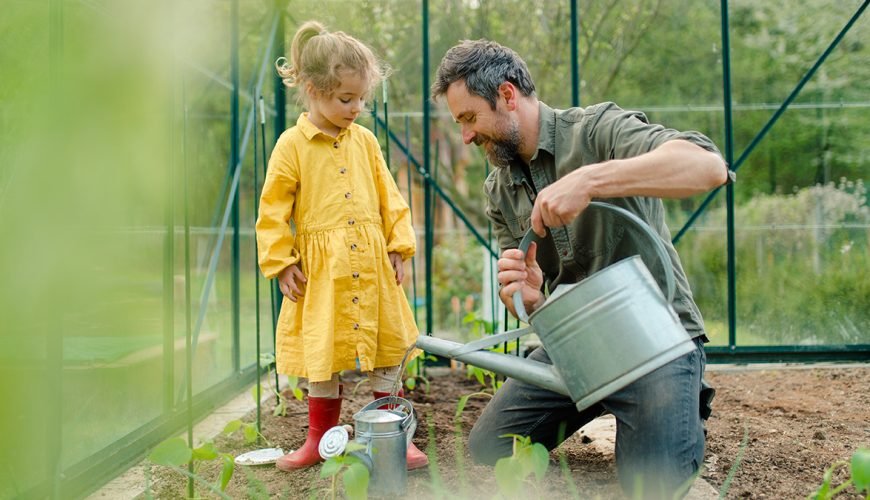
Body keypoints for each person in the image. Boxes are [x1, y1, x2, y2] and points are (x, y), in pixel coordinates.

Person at [431, 39, 728, 498]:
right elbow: (529, 301)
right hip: (578, 346)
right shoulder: (500, 188)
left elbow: (706, 168)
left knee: (654, 483)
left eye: (469, 118)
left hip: (655, 340)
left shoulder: (598, 131)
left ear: (508, 95)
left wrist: (589, 180)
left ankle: (674, 403)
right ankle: (616, 403)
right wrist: (529, 300)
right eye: (460, 124)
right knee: (492, 446)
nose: (465, 136)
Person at [256, 20, 427, 471]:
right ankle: (317, 440)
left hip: (371, 266)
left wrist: (398, 243)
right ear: (313, 90)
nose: (357, 108)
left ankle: (394, 439)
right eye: (345, 99)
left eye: (361, 99)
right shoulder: (290, 146)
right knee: (322, 355)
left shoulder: (365, 142)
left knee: (387, 349)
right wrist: (280, 262)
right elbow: (272, 209)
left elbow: (389, 194)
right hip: (321, 272)